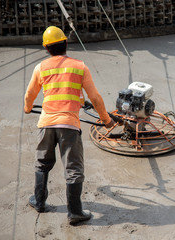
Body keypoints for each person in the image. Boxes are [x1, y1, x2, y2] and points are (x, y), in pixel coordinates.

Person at [24, 26, 115, 225]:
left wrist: (28, 108)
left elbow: (29, 95)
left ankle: (39, 202)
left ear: (47, 48)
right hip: (69, 126)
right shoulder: (80, 67)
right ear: (66, 43)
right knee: (73, 168)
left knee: (42, 163)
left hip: (46, 123)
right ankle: (75, 212)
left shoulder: (40, 67)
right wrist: (106, 120)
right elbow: (95, 98)